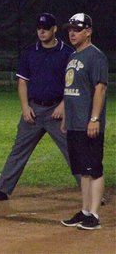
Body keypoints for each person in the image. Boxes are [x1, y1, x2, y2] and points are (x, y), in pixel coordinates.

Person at [0, 13, 80, 202]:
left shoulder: (68, 53)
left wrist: (63, 105)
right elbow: (23, 82)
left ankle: (90, 191)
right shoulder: (29, 52)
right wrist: (25, 107)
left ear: (54, 29)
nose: (42, 31)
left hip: (57, 112)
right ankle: (1, 190)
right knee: (18, 151)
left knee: (72, 151)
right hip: (34, 110)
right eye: (39, 28)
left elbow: (73, 84)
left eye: (46, 28)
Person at [60, 13, 108, 230]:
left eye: (77, 29)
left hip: (88, 122)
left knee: (94, 168)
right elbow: (71, 90)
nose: (72, 32)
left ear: (88, 31)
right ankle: (85, 210)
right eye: (70, 29)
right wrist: (67, 119)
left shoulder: (95, 56)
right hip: (74, 122)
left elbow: (100, 88)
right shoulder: (73, 56)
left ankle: (95, 215)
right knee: (82, 170)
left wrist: (94, 118)